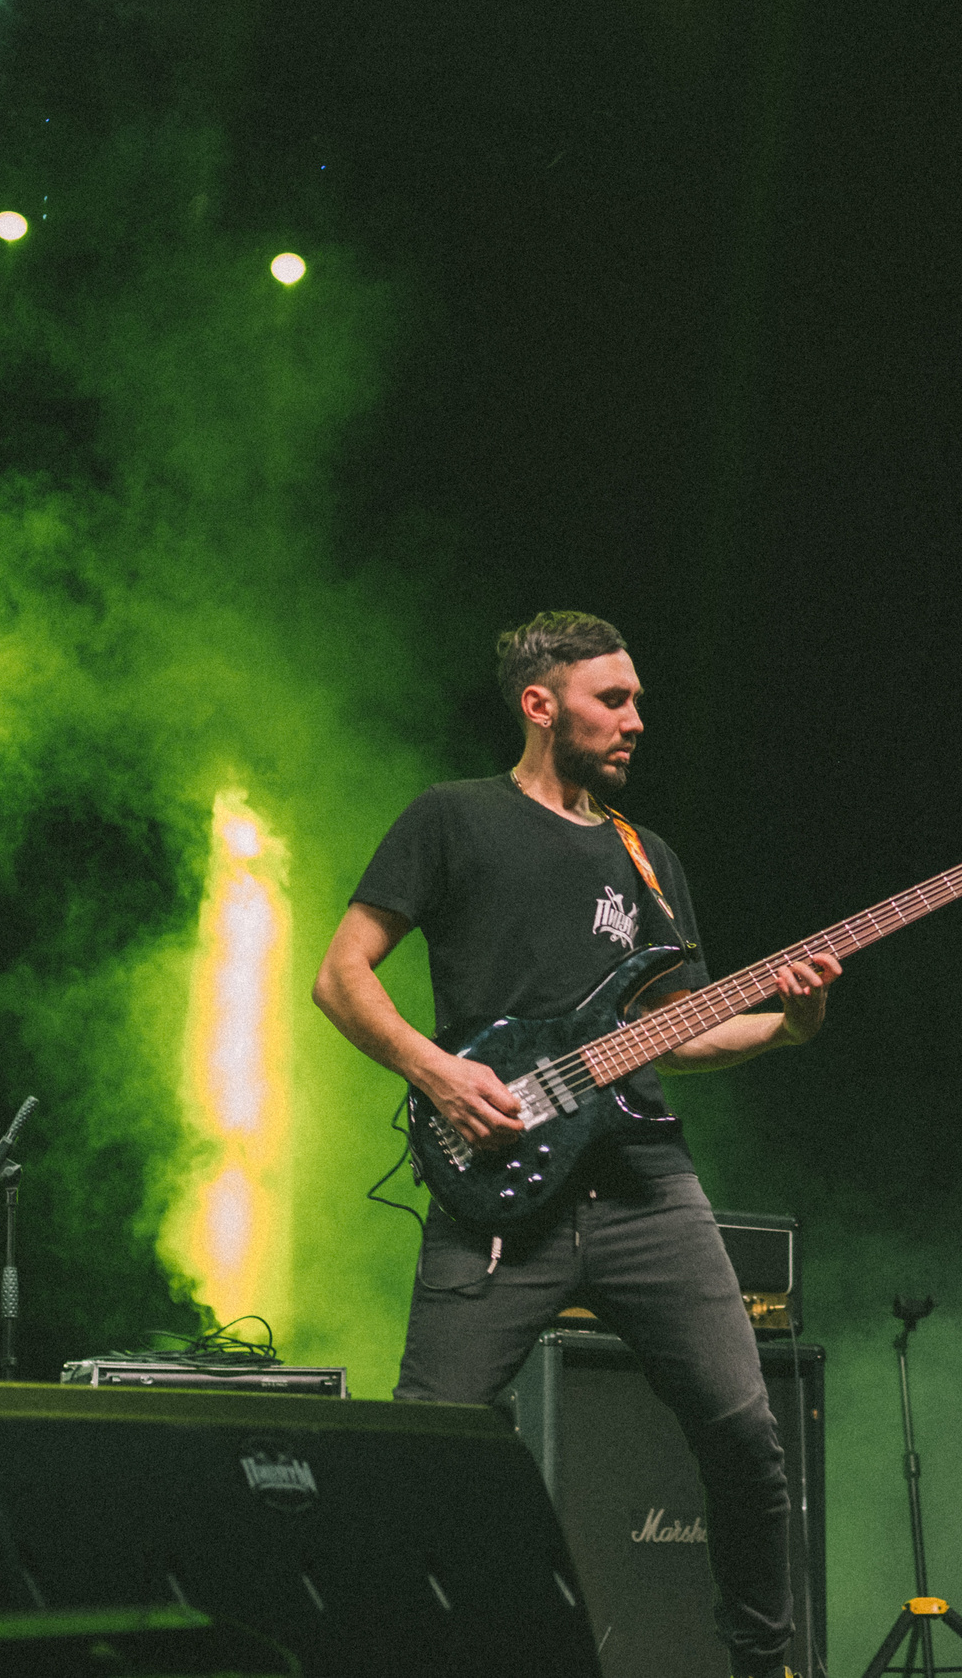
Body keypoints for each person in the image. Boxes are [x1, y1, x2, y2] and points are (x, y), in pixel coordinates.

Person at [314, 610, 838, 1678]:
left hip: (645, 1187)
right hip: (497, 1190)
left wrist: (788, 1022)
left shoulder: (649, 862)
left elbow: (676, 1034)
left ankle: (763, 1664)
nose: (638, 719)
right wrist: (434, 1068)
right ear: (539, 703)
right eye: (614, 698)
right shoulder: (451, 820)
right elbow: (341, 975)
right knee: (420, 1450)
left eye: (639, 698)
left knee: (747, 1438)